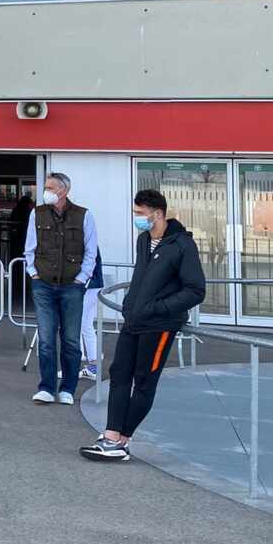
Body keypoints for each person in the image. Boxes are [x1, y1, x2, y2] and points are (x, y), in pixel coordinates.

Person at [82, 189, 206, 463]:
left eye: (140, 213)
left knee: (144, 381)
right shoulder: (143, 241)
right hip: (134, 321)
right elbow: (141, 278)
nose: (136, 218)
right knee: (119, 374)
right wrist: (131, 305)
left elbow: (195, 290)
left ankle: (121, 440)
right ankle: (111, 437)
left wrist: (157, 308)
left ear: (157, 214)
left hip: (160, 325)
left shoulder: (182, 246)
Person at [23, 171, 98, 406]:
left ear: (64, 191)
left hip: (72, 287)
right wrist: (33, 274)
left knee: (71, 340)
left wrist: (81, 278)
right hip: (43, 284)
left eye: (50, 187)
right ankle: (46, 387)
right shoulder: (37, 214)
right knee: (46, 338)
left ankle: (67, 388)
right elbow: (29, 249)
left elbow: (91, 251)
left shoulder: (84, 216)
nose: (45, 191)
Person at [80, 248, 106, 380]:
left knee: (79, 324)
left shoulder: (86, 239)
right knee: (85, 325)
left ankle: (86, 366)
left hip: (88, 286)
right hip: (90, 285)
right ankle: (93, 366)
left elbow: (88, 265)